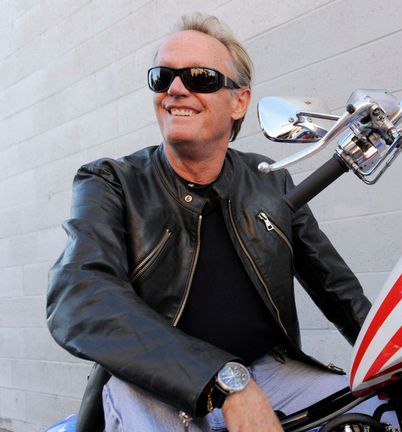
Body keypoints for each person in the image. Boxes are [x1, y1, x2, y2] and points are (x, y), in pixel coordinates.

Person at [46, 13, 375, 432]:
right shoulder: (111, 181)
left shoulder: (268, 179)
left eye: (200, 77)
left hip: (268, 374)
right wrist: (223, 381)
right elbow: (80, 294)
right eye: (162, 76)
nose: (176, 89)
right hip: (151, 386)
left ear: (239, 100)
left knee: (381, 408)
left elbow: (340, 291)